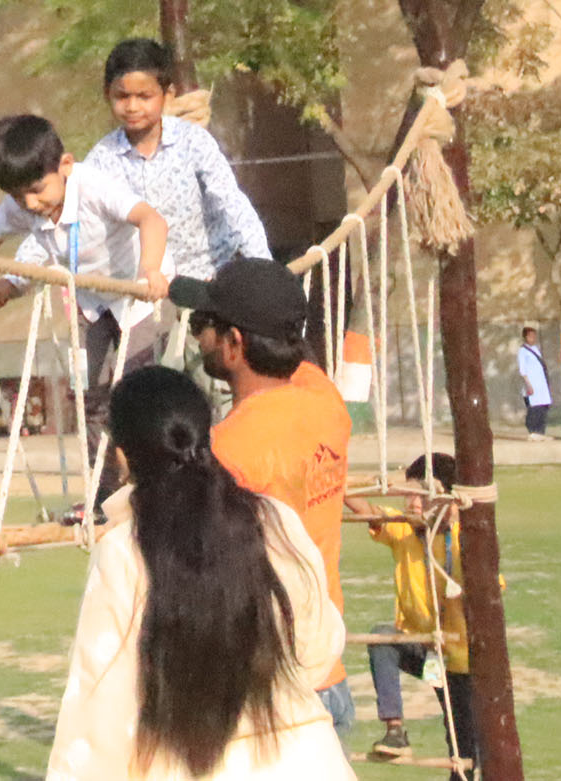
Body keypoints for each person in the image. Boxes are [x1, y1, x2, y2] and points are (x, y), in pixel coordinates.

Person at [46, 366, 351, 780]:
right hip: (307, 761)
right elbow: (319, 648)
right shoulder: (274, 519)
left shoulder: (124, 551)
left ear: (121, 455)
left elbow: (99, 714)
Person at [175, 256, 355, 742]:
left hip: (271, 696)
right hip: (326, 676)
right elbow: (297, 354)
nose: (197, 337)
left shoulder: (225, 453)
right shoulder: (327, 402)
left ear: (234, 343)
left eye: (202, 324)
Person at [0, 114, 168, 504]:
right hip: (91, 305)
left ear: (65, 165)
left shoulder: (93, 186)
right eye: (18, 197)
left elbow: (151, 219)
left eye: (36, 190)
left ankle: (154, 493)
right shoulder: (27, 206)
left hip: (138, 298)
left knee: (138, 395)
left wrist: (150, 270)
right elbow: (0, 251)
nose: (30, 203)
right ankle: (104, 495)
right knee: (89, 398)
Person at [84, 39, 271, 281]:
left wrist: (266, 271)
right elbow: (78, 225)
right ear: (107, 94)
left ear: (168, 95)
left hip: (212, 277)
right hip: (148, 288)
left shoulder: (193, 141)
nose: (132, 106)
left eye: (144, 96)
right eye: (122, 96)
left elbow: (231, 203)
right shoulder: (100, 162)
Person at [366, 452, 478, 780]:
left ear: (447, 499)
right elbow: (364, 510)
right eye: (408, 494)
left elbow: (490, 592)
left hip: (462, 663)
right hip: (427, 653)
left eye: (421, 495)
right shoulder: (404, 530)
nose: (412, 504)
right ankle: (395, 731)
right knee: (381, 638)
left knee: (465, 751)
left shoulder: (467, 540)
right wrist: (353, 484)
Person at [517, 325, 552, 440]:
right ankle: (532, 432)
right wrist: (528, 385)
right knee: (534, 409)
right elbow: (523, 371)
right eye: (530, 336)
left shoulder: (536, 349)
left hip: (541, 386)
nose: (533, 338)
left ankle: (540, 433)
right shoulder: (523, 351)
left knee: (543, 408)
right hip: (531, 386)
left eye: (534, 336)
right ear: (525, 337)